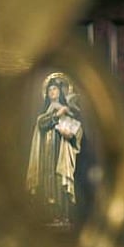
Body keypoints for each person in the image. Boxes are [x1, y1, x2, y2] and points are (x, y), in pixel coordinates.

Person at [26, 76, 83, 225]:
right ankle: (49, 216)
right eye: (50, 90)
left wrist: (70, 135)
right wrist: (56, 114)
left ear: (60, 92)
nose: (52, 92)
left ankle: (63, 216)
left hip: (60, 153)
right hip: (46, 154)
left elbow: (77, 130)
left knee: (60, 181)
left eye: (55, 89)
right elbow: (42, 124)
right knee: (47, 182)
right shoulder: (45, 114)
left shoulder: (68, 111)